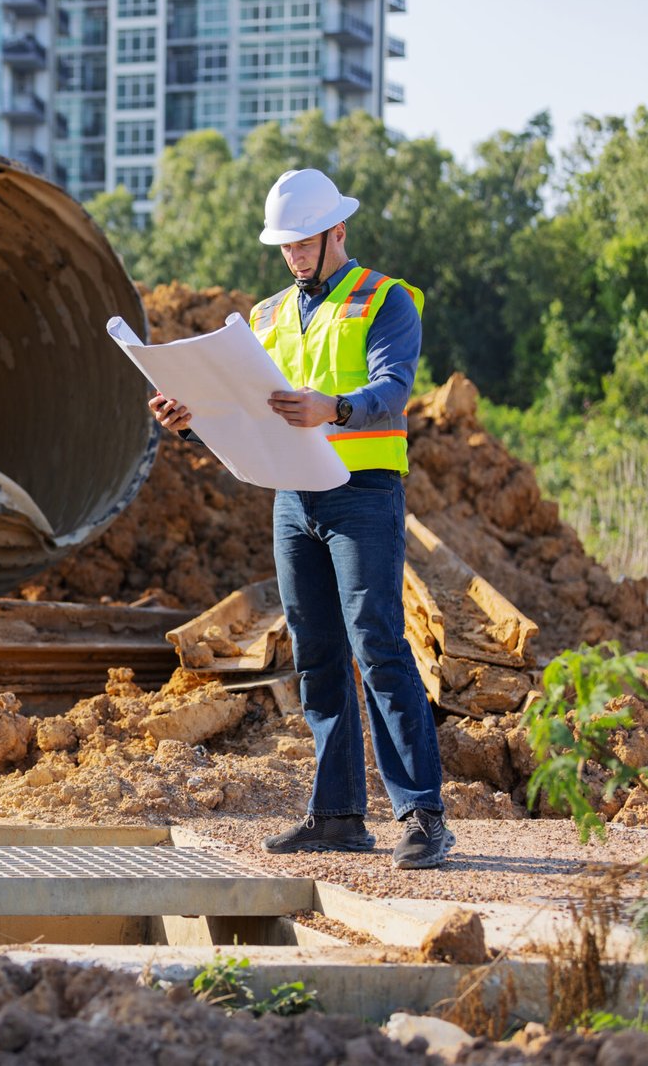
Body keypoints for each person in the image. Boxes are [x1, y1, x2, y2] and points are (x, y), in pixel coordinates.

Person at [148, 168, 452, 870]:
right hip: (292, 496)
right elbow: (245, 411)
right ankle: (339, 815)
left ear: (336, 231)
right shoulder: (264, 316)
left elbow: (391, 390)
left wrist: (332, 407)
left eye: (302, 241)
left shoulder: (386, 300)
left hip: (363, 492)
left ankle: (423, 815)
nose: (291, 255)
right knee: (316, 653)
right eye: (282, 245)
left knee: (377, 643)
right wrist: (190, 420)